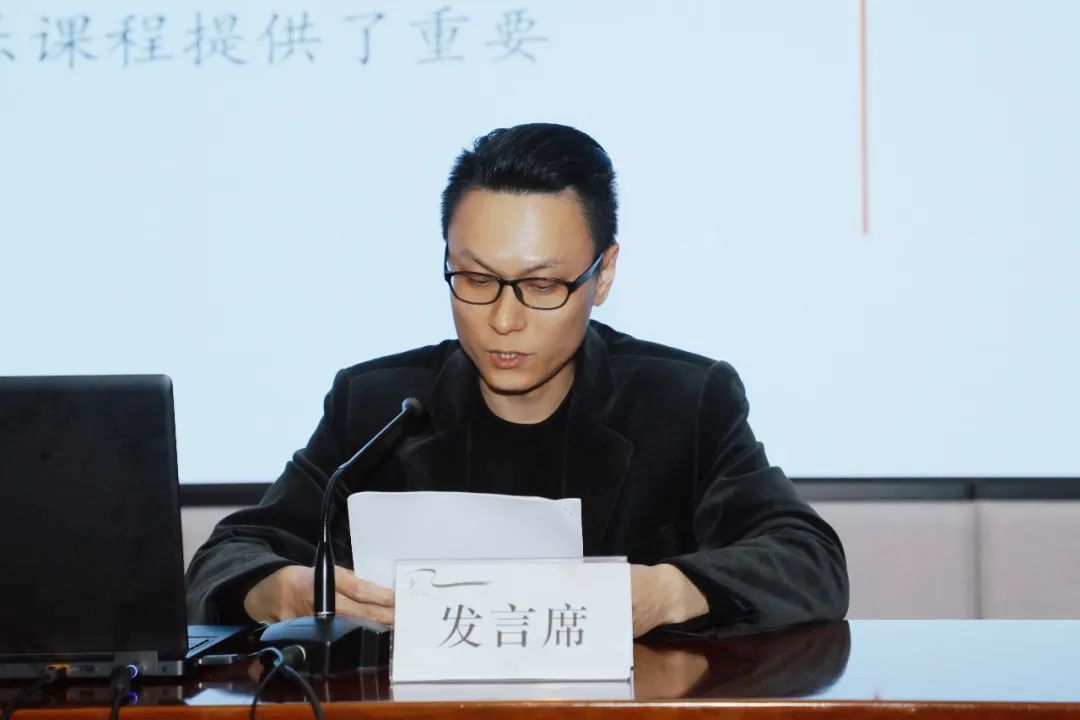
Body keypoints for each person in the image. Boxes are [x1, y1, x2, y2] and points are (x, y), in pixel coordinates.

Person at [186, 123, 848, 637]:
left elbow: (808, 560)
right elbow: (228, 556)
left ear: (603, 274)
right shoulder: (377, 406)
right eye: (475, 279)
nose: (503, 320)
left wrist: (666, 592)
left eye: (542, 285)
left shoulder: (682, 402)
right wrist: (279, 590)